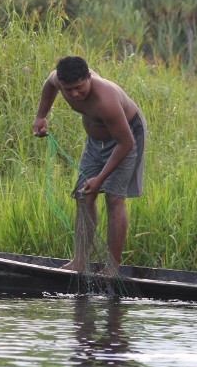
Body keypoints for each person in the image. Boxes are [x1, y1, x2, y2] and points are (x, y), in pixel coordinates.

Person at [32, 56, 146, 273]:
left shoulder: (106, 99)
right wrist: (40, 117)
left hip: (126, 136)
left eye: (79, 87)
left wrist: (100, 179)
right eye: (68, 90)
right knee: (83, 196)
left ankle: (112, 267)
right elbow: (49, 85)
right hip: (95, 142)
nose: (74, 94)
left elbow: (126, 143)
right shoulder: (58, 79)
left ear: (89, 78)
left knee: (113, 198)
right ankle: (80, 261)